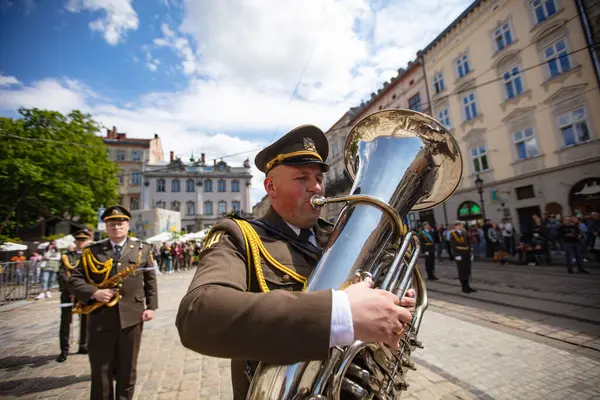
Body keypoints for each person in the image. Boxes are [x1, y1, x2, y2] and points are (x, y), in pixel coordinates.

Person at [176, 124, 417, 400]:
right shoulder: (240, 236)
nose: (315, 186)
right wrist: (340, 313)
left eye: (318, 177)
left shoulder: (340, 237)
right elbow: (198, 315)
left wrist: (391, 307)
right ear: (271, 187)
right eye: (302, 177)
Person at [68, 205, 158, 400]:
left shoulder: (143, 248)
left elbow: (150, 280)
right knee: (101, 368)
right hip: (100, 317)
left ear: (127, 225)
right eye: (111, 224)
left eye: (120, 223)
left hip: (132, 317)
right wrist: (94, 293)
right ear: (106, 227)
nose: (116, 227)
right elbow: (74, 279)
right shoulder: (92, 251)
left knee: (128, 368)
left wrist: (151, 307)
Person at [56, 229, 92, 363]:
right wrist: (73, 288)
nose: (81, 242)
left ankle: (83, 345)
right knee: (65, 321)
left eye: (83, 240)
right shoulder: (67, 256)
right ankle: (64, 349)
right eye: (79, 240)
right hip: (69, 292)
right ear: (75, 241)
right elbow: (62, 274)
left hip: (85, 292)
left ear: (87, 241)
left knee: (86, 320)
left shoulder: (91, 255)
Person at [450, 220, 477, 293]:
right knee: (462, 271)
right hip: (460, 254)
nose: (460, 226)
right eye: (458, 225)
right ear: (455, 226)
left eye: (460, 225)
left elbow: (469, 243)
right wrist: (456, 255)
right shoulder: (453, 234)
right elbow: (453, 246)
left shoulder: (464, 233)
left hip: (466, 254)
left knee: (467, 271)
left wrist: (470, 252)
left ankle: (468, 286)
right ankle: (464, 287)